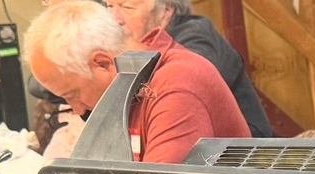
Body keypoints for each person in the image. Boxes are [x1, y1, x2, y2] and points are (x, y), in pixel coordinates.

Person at [23, 0, 249, 163]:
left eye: (73, 94)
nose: (78, 109)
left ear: (102, 63)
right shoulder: (128, 86)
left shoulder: (175, 85)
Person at [107, 0, 272, 138]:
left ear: (166, 10)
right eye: (109, 6)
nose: (115, 19)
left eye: (127, 7)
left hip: (245, 149)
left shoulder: (195, 37)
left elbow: (182, 94)